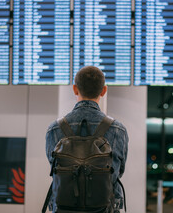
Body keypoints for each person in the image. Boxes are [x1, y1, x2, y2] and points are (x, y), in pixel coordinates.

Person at [45, 66, 129, 212]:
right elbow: (118, 171)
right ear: (103, 91)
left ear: (75, 89)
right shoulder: (118, 129)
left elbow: (54, 168)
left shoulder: (55, 128)